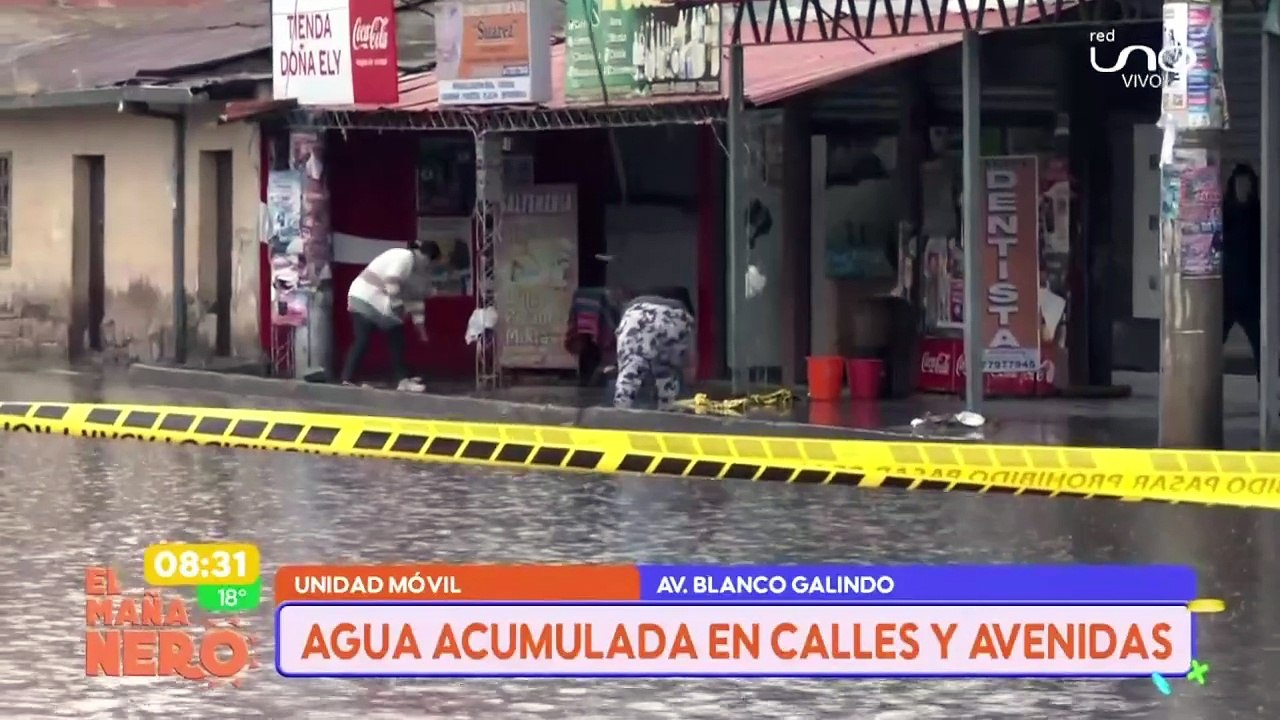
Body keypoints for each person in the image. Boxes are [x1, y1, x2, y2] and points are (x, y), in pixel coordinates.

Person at [340, 239, 446, 391]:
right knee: (392, 336)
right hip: (367, 298)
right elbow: (391, 280)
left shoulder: (412, 269)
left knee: (370, 338)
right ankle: (401, 380)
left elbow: (416, 302)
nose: (428, 268)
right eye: (430, 264)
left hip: (365, 299)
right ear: (426, 257)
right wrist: (398, 307)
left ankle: (349, 379)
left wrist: (421, 331)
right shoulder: (405, 258)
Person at [613, 286, 695, 410]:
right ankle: (667, 414)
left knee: (630, 369)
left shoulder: (627, 310)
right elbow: (689, 364)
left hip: (638, 314)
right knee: (667, 372)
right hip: (677, 315)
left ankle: (619, 414)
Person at [1222, 163, 1262, 378]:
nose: (1243, 189)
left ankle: (1265, 393)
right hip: (1227, 292)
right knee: (1210, 344)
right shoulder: (1224, 213)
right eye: (1239, 184)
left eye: (1247, 185)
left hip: (1251, 294)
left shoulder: (1258, 215)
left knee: (1261, 346)